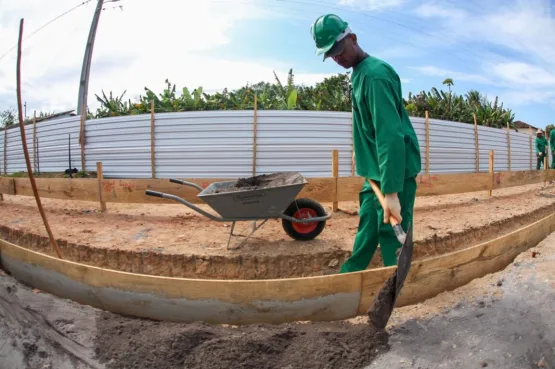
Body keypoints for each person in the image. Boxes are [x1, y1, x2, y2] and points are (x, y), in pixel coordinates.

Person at [310, 14, 421, 272]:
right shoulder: (359, 74)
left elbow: (389, 134)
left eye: (338, 49)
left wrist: (392, 192)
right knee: (368, 228)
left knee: (392, 233)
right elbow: (367, 126)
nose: (337, 58)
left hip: (394, 170)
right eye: (331, 55)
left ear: (353, 39)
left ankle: (396, 290)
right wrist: (358, 152)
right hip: (376, 169)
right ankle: (346, 281)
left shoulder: (375, 76)